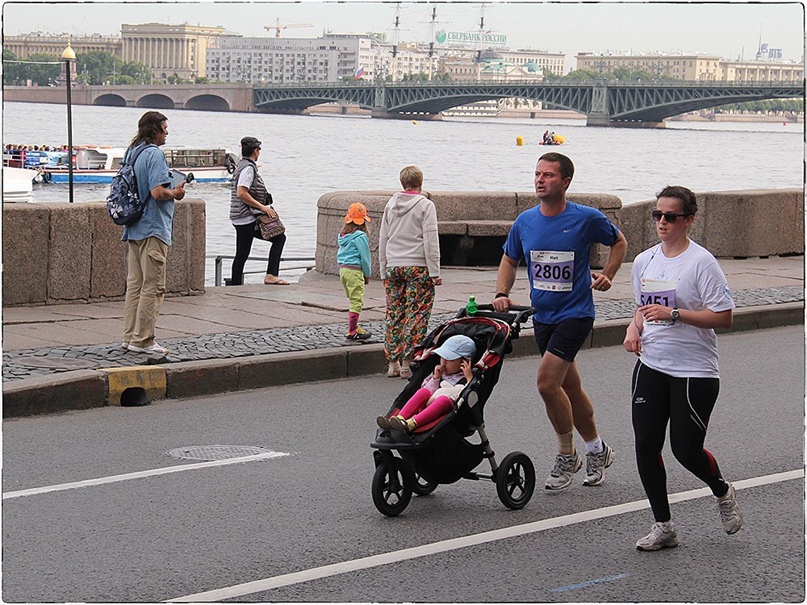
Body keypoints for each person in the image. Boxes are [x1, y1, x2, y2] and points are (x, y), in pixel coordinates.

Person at [492, 152, 627, 490]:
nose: (540, 180)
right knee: (570, 387)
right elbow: (509, 258)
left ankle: (567, 455)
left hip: (576, 314)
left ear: (565, 182)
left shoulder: (586, 218)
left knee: (546, 384)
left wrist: (608, 275)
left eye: (548, 175)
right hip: (543, 316)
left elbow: (619, 242)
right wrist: (502, 292)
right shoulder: (526, 221)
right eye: (537, 174)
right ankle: (597, 450)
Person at [623, 185, 742, 551]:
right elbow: (643, 309)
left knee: (686, 450)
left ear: (688, 220)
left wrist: (674, 313)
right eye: (657, 215)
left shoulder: (701, 262)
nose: (661, 222)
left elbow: (723, 317)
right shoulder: (644, 261)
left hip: (694, 370)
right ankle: (663, 526)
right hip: (652, 364)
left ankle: (721, 491)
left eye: (670, 216)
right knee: (646, 445)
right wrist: (633, 328)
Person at [122, 111, 186, 356]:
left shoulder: (132, 152)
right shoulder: (155, 154)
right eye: (164, 129)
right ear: (154, 130)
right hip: (153, 227)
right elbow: (158, 192)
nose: (167, 133)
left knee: (135, 286)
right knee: (153, 286)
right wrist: (175, 193)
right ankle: (143, 340)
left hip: (134, 227)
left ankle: (130, 336)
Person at [378, 165, 441, 379]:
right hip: (417, 266)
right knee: (417, 314)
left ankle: (392, 363)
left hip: (393, 265)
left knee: (394, 314)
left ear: (402, 183)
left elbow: (383, 238)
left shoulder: (390, 204)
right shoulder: (425, 205)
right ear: (420, 184)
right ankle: (407, 364)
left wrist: (383, 270)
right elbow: (430, 239)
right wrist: (434, 271)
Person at [377, 334, 475, 432]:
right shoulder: (439, 373)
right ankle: (400, 418)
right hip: (428, 404)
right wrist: (435, 378)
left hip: (447, 409)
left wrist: (469, 378)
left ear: (464, 362)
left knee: (443, 400)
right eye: (442, 357)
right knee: (423, 391)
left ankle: (411, 424)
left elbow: (466, 396)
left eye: (449, 359)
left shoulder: (465, 378)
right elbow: (426, 388)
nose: (444, 362)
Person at [228, 136, 288, 286]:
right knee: (279, 238)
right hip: (246, 217)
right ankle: (271, 275)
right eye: (259, 150)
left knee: (242, 253)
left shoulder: (241, 165)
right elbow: (241, 192)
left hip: (238, 216)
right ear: (255, 151)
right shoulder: (248, 168)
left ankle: (235, 284)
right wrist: (263, 207)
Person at [338, 202, 373, 341]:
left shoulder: (343, 236)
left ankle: (353, 328)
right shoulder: (360, 237)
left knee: (352, 299)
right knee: (356, 301)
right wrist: (367, 274)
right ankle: (352, 331)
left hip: (343, 270)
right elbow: (365, 258)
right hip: (355, 271)